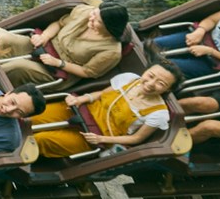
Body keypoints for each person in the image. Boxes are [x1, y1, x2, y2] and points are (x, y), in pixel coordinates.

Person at [28, 61, 182, 159]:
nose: (150, 83)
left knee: (41, 140)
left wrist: (102, 140)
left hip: (95, 135)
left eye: (160, 83)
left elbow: (136, 139)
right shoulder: (129, 79)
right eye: (150, 76)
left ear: (167, 90)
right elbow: (101, 94)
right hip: (81, 111)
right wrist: (80, 99)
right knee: (33, 118)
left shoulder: (159, 113)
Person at [0, 1, 128, 86]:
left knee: (18, 67)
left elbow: (87, 72)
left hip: (58, 70)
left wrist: (58, 63)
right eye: (94, 13)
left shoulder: (111, 52)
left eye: (97, 21)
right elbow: (59, 24)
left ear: (109, 27)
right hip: (46, 44)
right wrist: (44, 36)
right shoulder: (85, 12)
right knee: (5, 40)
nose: (91, 17)